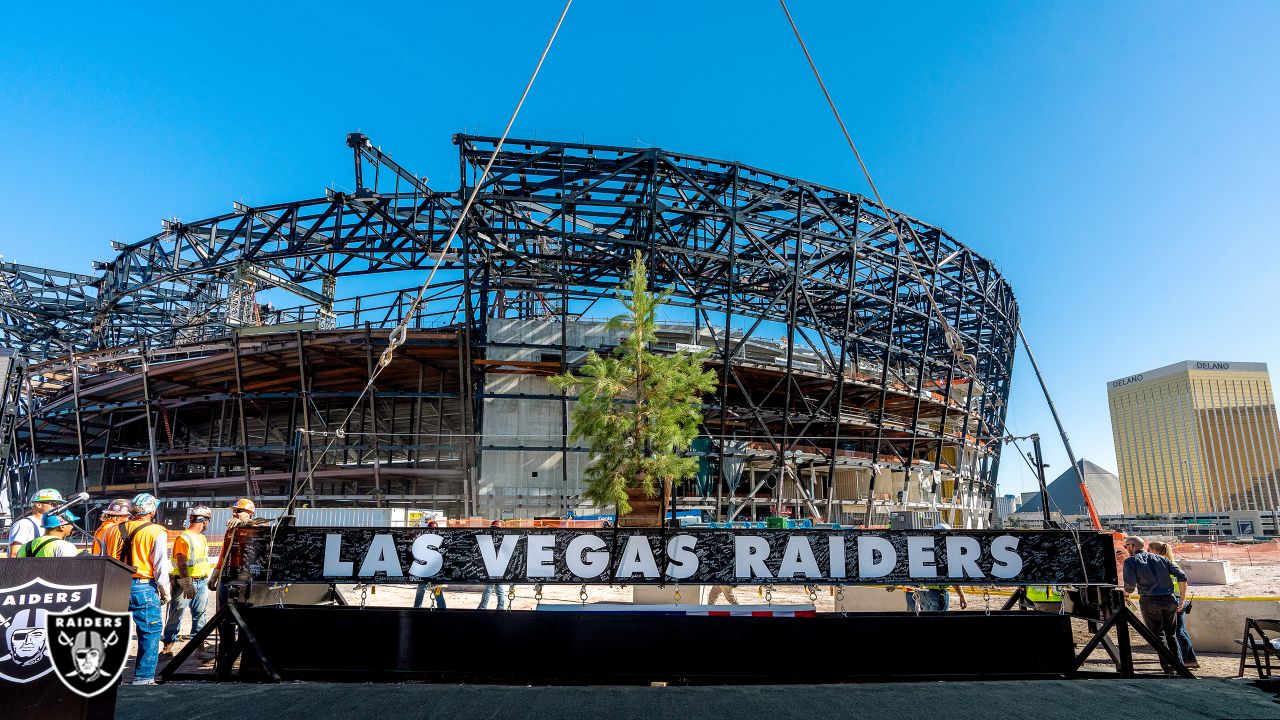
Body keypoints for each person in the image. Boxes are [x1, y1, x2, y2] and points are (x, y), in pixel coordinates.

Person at [117, 493, 172, 686]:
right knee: (149, 632)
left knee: (114, 633)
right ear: (152, 510)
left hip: (114, 585)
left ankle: (112, 679)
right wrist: (165, 590)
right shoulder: (156, 531)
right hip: (142, 586)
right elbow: (160, 565)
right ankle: (143, 678)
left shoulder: (112, 529)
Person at [1122, 535, 1189, 672]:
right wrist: (1181, 599)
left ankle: (1168, 667)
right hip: (1169, 599)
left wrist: (1125, 595)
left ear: (1132, 546)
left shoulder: (1130, 561)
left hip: (1150, 600)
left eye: (1126, 546)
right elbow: (1182, 575)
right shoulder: (1162, 559)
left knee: (1157, 635)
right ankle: (1179, 666)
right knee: (1171, 634)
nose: (1126, 549)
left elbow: (1129, 586)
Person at [161, 506, 212, 656]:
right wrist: (187, 583)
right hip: (185, 582)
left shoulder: (201, 538)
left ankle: (198, 647)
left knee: (200, 614)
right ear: (204, 521)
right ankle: (168, 646)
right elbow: (182, 563)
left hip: (201, 581)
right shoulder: (183, 538)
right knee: (176, 614)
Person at [1148, 540, 1199, 669]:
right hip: (1176, 600)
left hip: (1174, 600)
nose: (1147, 553)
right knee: (1180, 630)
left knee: (1177, 632)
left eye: (1149, 550)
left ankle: (1188, 659)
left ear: (1155, 551)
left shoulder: (1164, 565)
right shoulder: (1170, 563)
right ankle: (1189, 658)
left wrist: (1181, 600)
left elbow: (1182, 581)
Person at [7, 488, 63, 556]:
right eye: (54, 504)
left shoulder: (48, 524)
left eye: (60, 504)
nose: (58, 507)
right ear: (39, 505)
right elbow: (14, 554)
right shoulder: (24, 524)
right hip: (28, 566)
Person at [14, 510, 81, 557]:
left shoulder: (25, 547)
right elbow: (71, 573)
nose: (72, 526)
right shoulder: (65, 547)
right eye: (71, 523)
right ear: (62, 527)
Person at [413, 521, 446, 609]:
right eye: (431, 529)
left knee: (436, 590)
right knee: (421, 588)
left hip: (435, 570)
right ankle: (417, 608)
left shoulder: (440, 540)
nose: (433, 531)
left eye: (435, 529)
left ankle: (442, 609)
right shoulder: (424, 539)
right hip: (425, 570)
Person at [477, 521, 507, 610]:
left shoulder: (491, 539)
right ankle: (500, 607)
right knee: (498, 589)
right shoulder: (501, 538)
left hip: (495, 567)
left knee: (489, 589)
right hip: (496, 567)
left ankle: (483, 607)